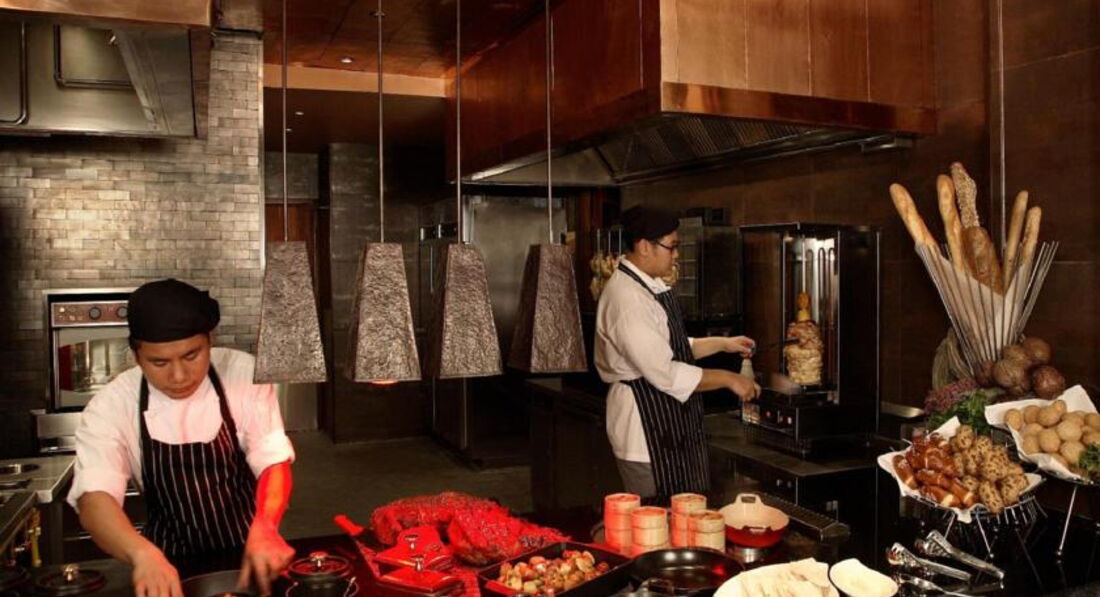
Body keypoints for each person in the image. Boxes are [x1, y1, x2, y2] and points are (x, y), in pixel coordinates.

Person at [67, 279, 296, 597]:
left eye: (191, 355)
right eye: (159, 362)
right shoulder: (112, 404)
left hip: (251, 554)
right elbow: (94, 498)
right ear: (136, 356)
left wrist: (267, 525)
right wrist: (140, 554)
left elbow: (272, 461)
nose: (179, 376)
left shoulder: (243, 375)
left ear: (210, 342)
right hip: (164, 562)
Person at [595, 206, 760, 499]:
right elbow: (665, 372)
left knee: (678, 513)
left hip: (665, 427)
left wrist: (724, 343)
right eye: (671, 247)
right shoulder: (629, 299)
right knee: (655, 516)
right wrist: (730, 379)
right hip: (644, 433)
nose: (676, 255)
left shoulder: (649, 285)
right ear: (644, 246)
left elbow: (672, 347)